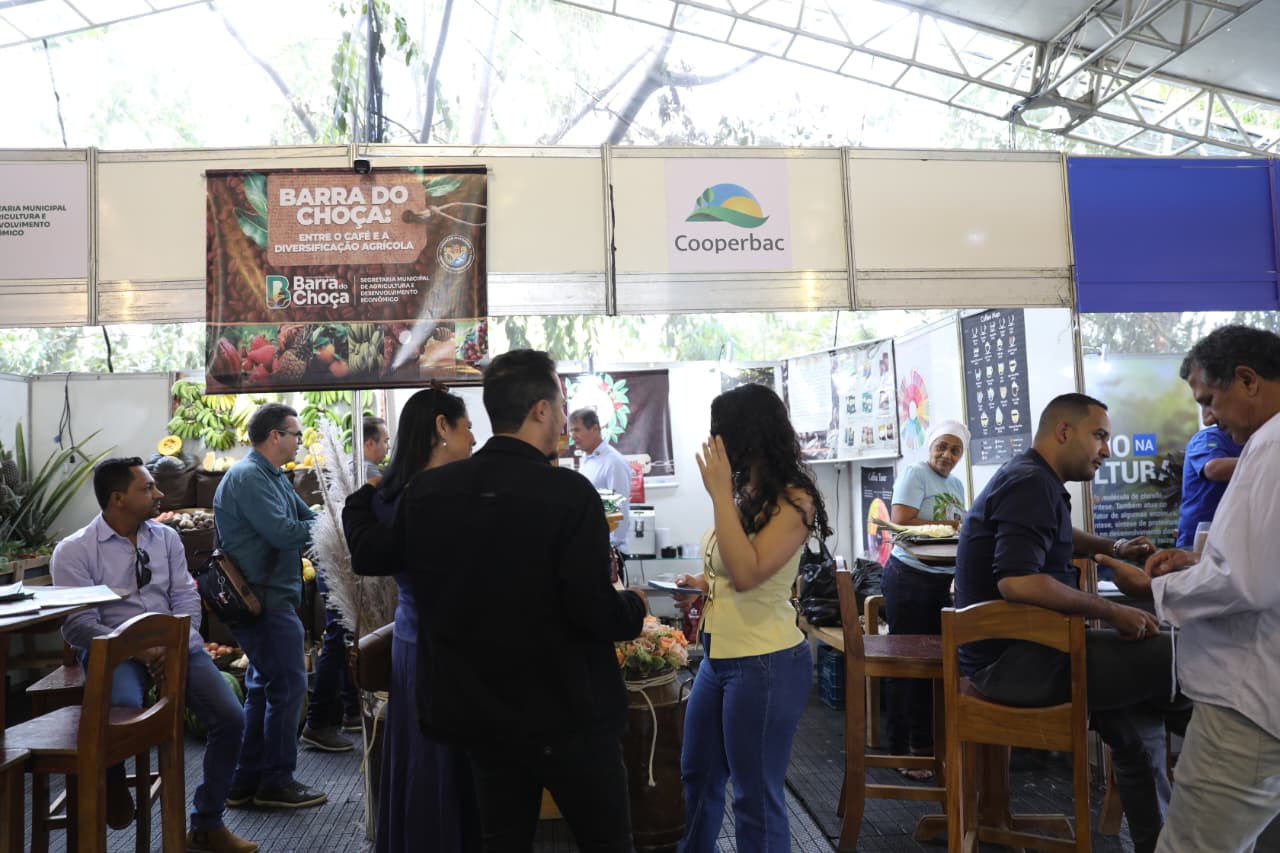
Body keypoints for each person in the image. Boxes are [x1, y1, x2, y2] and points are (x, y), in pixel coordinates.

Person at [344, 350, 648, 852]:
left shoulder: (430, 494)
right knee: (606, 842)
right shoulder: (570, 494)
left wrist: (361, 499)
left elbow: (371, 553)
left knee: (502, 841)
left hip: (482, 716)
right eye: (560, 400)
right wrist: (634, 606)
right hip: (569, 712)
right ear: (541, 410)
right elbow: (592, 610)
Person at [954, 392, 1186, 853]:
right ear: (1064, 431)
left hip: (1024, 654)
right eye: (1099, 436)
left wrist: (1112, 548)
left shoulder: (1030, 477)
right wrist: (1112, 610)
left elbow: (1057, 535)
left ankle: (1158, 843)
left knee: (1137, 722)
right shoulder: (1031, 484)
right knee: (1181, 655)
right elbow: (1017, 582)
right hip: (1015, 664)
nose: (1106, 449)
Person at [1096, 325, 1280, 853]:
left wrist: (1150, 591)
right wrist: (1201, 559)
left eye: (1210, 400)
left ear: (1246, 380)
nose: (1210, 417)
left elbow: (1245, 580)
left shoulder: (1268, 448)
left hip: (1249, 700)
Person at [52, 457, 255, 853]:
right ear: (118, 499)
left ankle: (207, 823)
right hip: (115, 653)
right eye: (147, 488)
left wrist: (176, 641)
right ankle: (112, 777)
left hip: (175, 647)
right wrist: (137, 649)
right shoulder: (74, 550)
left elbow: (185, 595)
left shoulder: (166, 538)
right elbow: (77, 625)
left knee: (231, 718)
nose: (159, 493)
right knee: (124, 718)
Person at [670, 383, 831, 853]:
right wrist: (700, 586)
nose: (713, 444)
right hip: (719, 658)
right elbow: (728, 568)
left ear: (747, 436)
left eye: (720, 433)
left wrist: (719, 494)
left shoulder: (794, 501)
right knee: (698, 772)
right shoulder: (745, 492)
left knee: (754, 796)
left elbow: (747, 573)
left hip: (765, 662)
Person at [354, 386, 483, 853]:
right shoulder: (437, 496)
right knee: (439, 757)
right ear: (441, 428)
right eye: (466, 427)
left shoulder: (387, 495)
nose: (472, 438)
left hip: (413, 636)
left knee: (424, 759)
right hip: (442, 642)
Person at [213, 402, 327, 809]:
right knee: (288, 687)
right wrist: (330, 524)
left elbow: (305, 516)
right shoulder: (248, 477)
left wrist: (324, 518)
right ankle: (276, 781)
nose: (300, 440)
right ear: (275, 436)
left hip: (273, 598)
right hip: (263, 601)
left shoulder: (272, 476)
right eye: (295, 434)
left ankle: (246, 780)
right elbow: (284, 532)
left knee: (264, 688)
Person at [881, 419, 969, 780]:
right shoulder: (916, 473)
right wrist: (950, 528)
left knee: (934, 666)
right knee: (909, 666)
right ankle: (902, 751)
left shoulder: (956, 484)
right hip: (908, 579)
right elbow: (901, 520)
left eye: (955, 450)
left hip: (939, 581)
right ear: (930, 445)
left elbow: (957, 524)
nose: (946, 455)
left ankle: (926, 747)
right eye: (942, 447)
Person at [570, 407, 633, 555]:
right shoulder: (587, 460)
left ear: (595, 429)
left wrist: (611, 547)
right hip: (592, 546)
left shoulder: (613, 462)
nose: (573, 436)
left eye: (577, 430)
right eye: (572, 431)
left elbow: (618, 510)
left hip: (609, 552)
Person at [1173, 410, 1241, 548]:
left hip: (1234, 538)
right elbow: (1213, 469)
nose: (1207, 420)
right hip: (1197, 541)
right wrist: (1264, 459)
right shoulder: (1208, 438)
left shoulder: (1253, 442)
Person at [363, 416, 390, 482]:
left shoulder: (350, 461)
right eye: (385, 441)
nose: (389, 447)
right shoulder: (368, 468)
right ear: (370, 444)